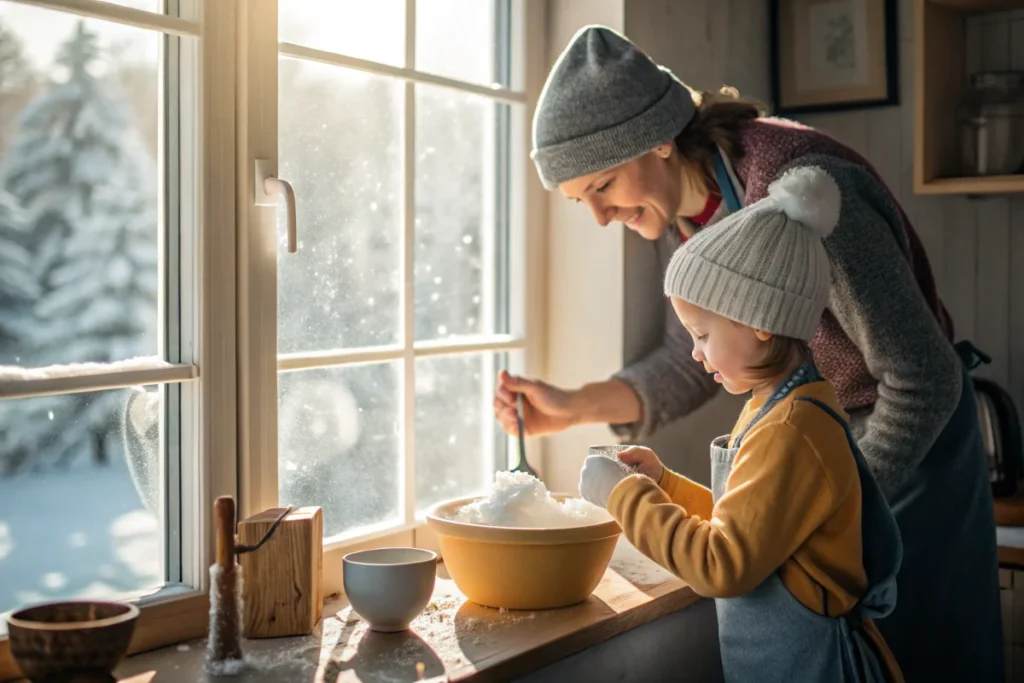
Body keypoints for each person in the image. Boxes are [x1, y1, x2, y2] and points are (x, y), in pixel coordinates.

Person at [494, 25, 1002, 682]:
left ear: (657, 140)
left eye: (604, 186)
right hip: (828, 449)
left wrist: (836, 500)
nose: (599, 216)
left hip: (912, 448)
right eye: (578, 201)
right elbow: (690, 361)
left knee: (922, 660)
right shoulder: (686, 218)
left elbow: (923, 376)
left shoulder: (798, 190)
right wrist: (572, 407)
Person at [579, 166, 902, 682]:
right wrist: (661, 486)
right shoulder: (774, 407)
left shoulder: (792, 430)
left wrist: (624, 499)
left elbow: (722, 564)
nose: (694, 351)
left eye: (702, 334)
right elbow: (748, 527)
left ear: (758, 322)